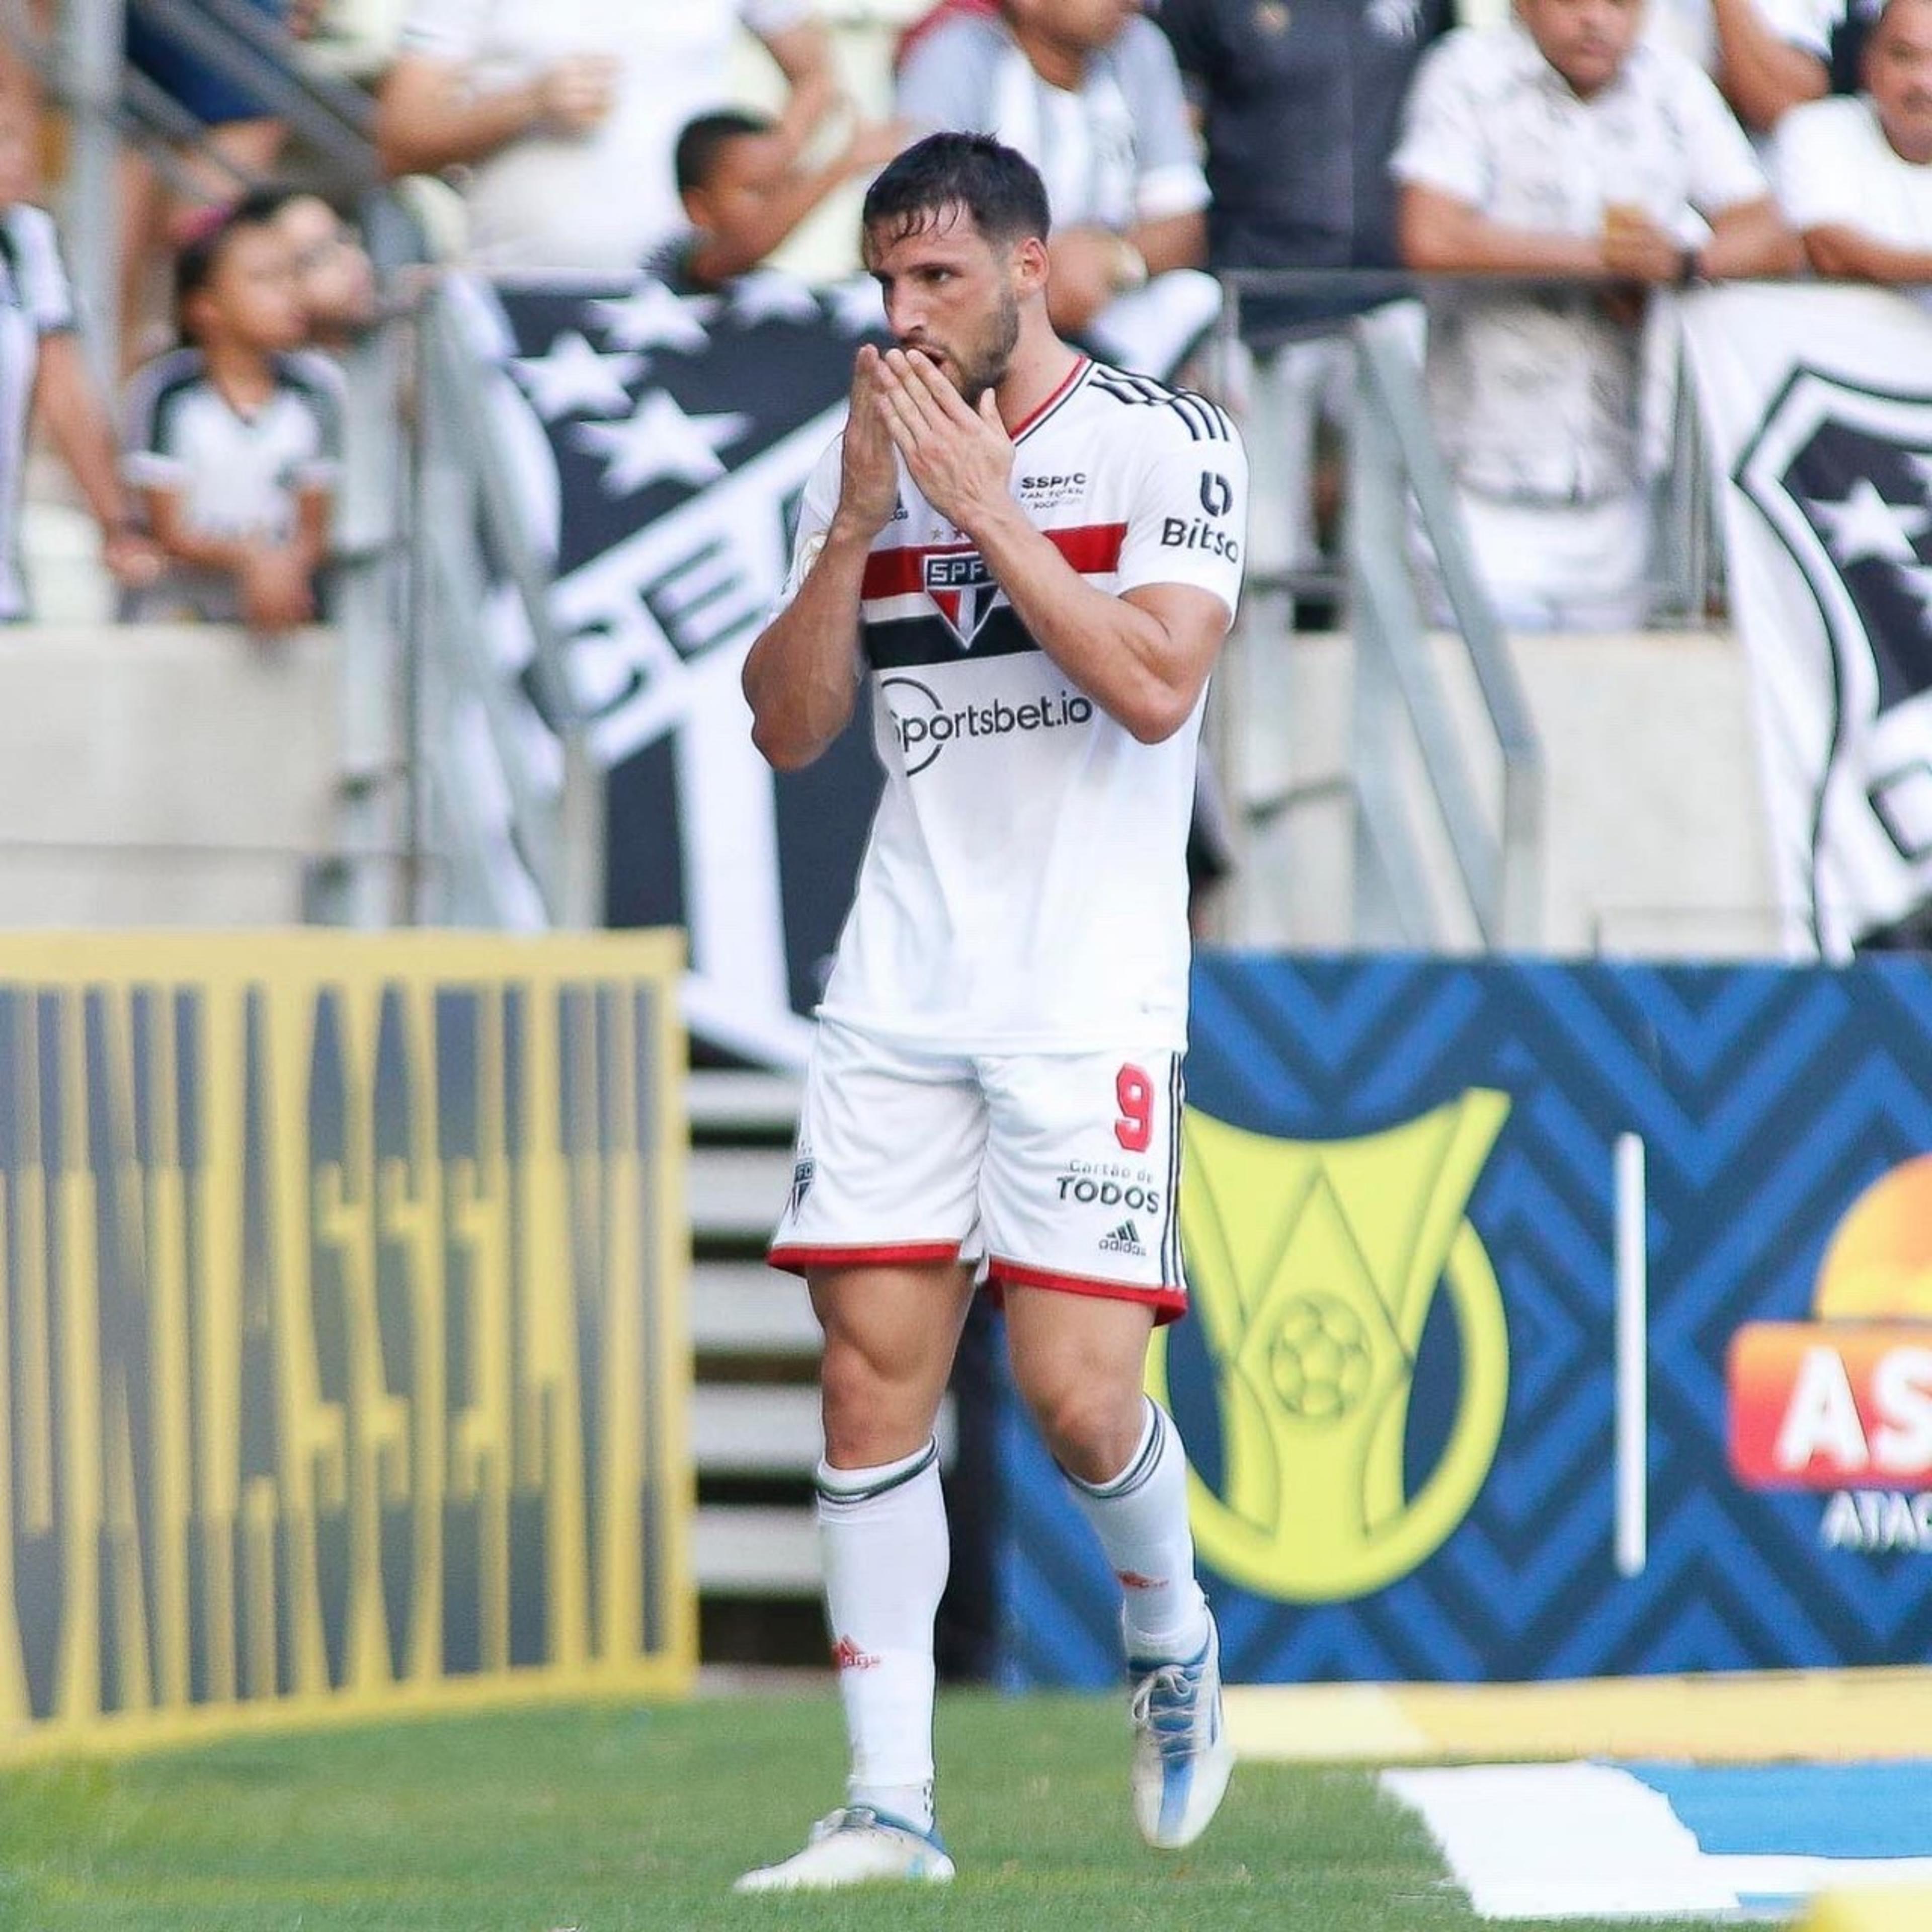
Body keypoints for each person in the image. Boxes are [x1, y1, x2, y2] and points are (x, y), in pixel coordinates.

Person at [735, 131, 1247, 1891]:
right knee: (870, 1386)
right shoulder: (864, 451)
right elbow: (791, 725)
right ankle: (890, 1807)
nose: (903, 315)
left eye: (938, 278)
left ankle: (1170, 1633)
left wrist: (994, 518)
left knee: (1079, 1401)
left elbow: (1155, 688)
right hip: (901, 985)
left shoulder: (1166, 442)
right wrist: (866, 523)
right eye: (884, 284)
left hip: (1084, 992)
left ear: (1032, 269)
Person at [1393, 0, 1798, 630]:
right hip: (1476, 482)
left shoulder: (1673, 83)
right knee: (1477, 713)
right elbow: (1431, 236)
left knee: (1606, 712)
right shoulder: (1465, 72)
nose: (1596, 20)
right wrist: (1605, 261)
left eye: (1620, 2)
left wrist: (1685, 260)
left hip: (1621, 485)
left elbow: (1769, 234)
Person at [1154, 0, 1452, 597]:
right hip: (1256, 302)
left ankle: (1380, 689)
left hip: (1385, 302)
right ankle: (1258, 690)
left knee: (1390, 548)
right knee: (1259, 549)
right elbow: (1174, 141)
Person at [374, 0, 841, 272]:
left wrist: (762, 181)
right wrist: (529, 103)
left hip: (690, 285)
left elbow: (817, 78)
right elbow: (400, 142)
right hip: (527, 292)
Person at [894, 0, 1221, 380]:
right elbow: (911, 232)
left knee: (1193, 296)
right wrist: (1031, 277)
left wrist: (1116, 258)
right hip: (986, 321)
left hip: (1106, 308)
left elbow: (1184, 221)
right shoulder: (956, 56)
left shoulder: (1139, 48)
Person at [121, 206, 343, 634]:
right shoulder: (168, 393)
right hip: (182, 616)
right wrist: (251, 560)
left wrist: (284, 570)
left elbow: (314, 523)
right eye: (265, 280)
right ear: (206, 307)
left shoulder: (317, 390)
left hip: (284, 610)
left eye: (292, 277)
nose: (289, 295)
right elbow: (169, 529)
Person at [0, 94, 161, 618]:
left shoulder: (26, 241)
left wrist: (118, 525)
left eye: (20, 137)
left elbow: (63, 391)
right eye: (3, 139)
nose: (21, 157)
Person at [653, 107, 909, 295]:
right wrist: (845, 164)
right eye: (756, 191)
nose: (777, 204)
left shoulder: (758, 280)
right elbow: (744, 248)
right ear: (700, 209)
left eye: (782, 186)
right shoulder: (679, 259)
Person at [1772, 0, 1932, 274]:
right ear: (1868, 61)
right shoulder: (1817, 128)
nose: (1924, 81)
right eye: (1903, 56)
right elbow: (1829, 250)